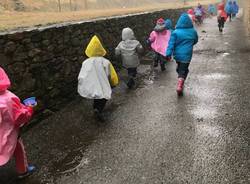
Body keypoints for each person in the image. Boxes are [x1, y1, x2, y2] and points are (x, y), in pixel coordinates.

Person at [0, 67, 36, 179]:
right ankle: (23, 170)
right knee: (18, 148)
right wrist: (29, 108)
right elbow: (20, 117)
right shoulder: (9, 98)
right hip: (10, 132)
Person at [78, 35, 119, 120]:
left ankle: (95, 108)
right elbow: (111, 74)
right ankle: (98, 109)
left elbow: (82, 75)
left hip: (92, 85)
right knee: (103, 97)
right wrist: (113, 83)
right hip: (102, 84)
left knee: (96, 96)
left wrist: (82, 85)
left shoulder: (85, 62)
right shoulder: (105, 62)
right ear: (101, 49)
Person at [166, 13, 198, 96]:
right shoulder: (193, 31)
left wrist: (168, 53)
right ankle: (180, 84)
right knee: (184, 70)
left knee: (180, 69)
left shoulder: (175, 32)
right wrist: (190, 44)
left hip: (177, 55)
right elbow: (195, 40)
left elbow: (171, 44)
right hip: (187, 55)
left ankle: (180, 78)